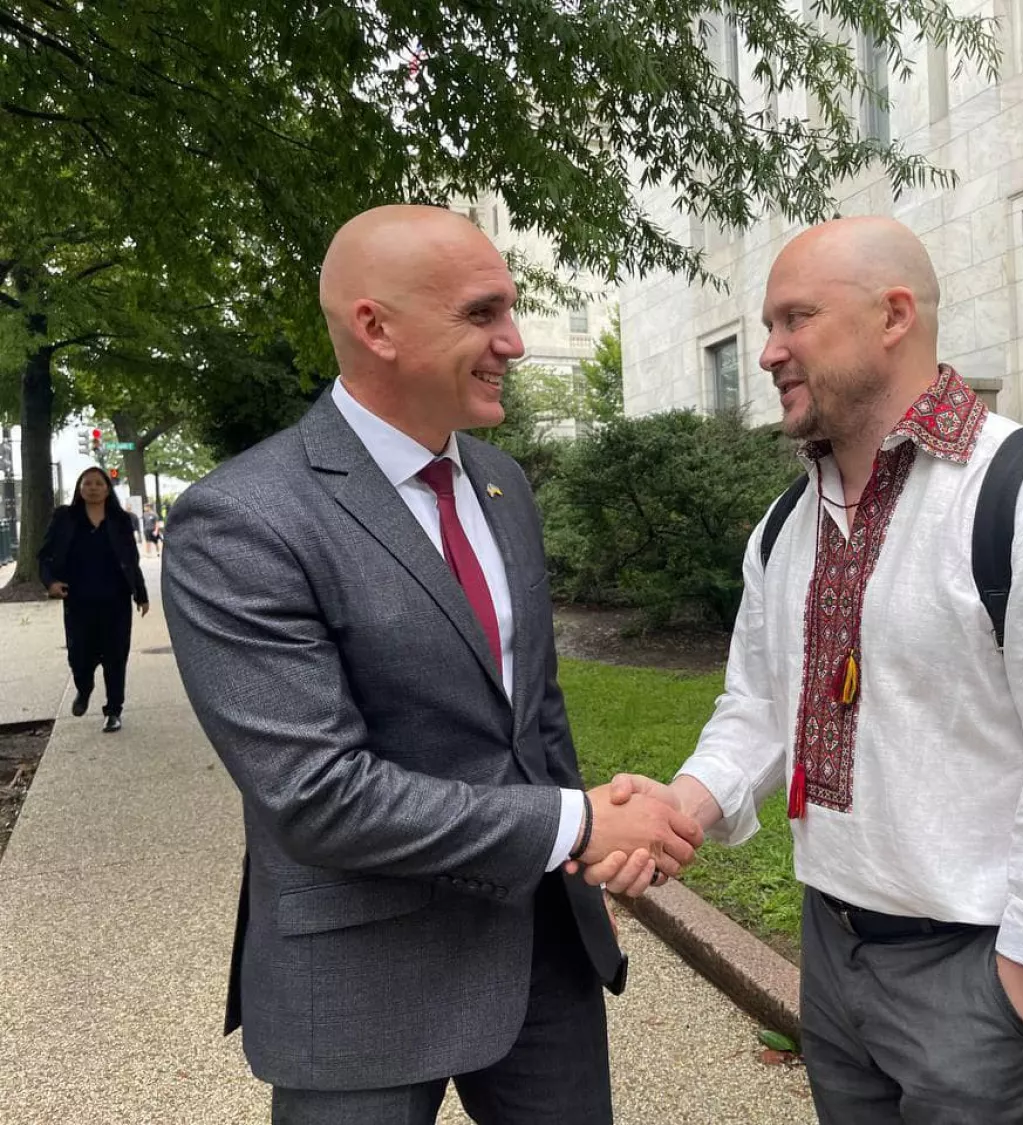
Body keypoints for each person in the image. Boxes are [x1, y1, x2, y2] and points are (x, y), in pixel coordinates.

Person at [600, 217, 1023, 1123]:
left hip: (977, 975)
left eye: (795, 319)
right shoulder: (785, 524)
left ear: (893, 315)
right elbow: (760, 707)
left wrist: (1014, 989)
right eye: (767, 325)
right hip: (831, 954)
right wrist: (685, 804)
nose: (768, 352)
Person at [162, 204, 703, 1125]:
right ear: (376, 328)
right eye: (482, 313)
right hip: (360, 979)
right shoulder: (243, 518)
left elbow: (533, 710)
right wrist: (575, 826)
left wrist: (579, 869)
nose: (516, 341)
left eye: (513, 310)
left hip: (540, 957)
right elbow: (316, 792)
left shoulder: (504, 483)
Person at [37, 466, 150, 734]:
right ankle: (84, 688)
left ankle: (113, 711)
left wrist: (141, 593)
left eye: (99, 483)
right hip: (78, 599)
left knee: (115, 656)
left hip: (116, 599)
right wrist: (51, 582)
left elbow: (131, 559)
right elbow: (44, 555)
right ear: (79, 488)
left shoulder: (121, 519)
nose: (93, 488)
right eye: (87, 483)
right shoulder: (65, 517)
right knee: (79, 655)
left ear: (108, 489)